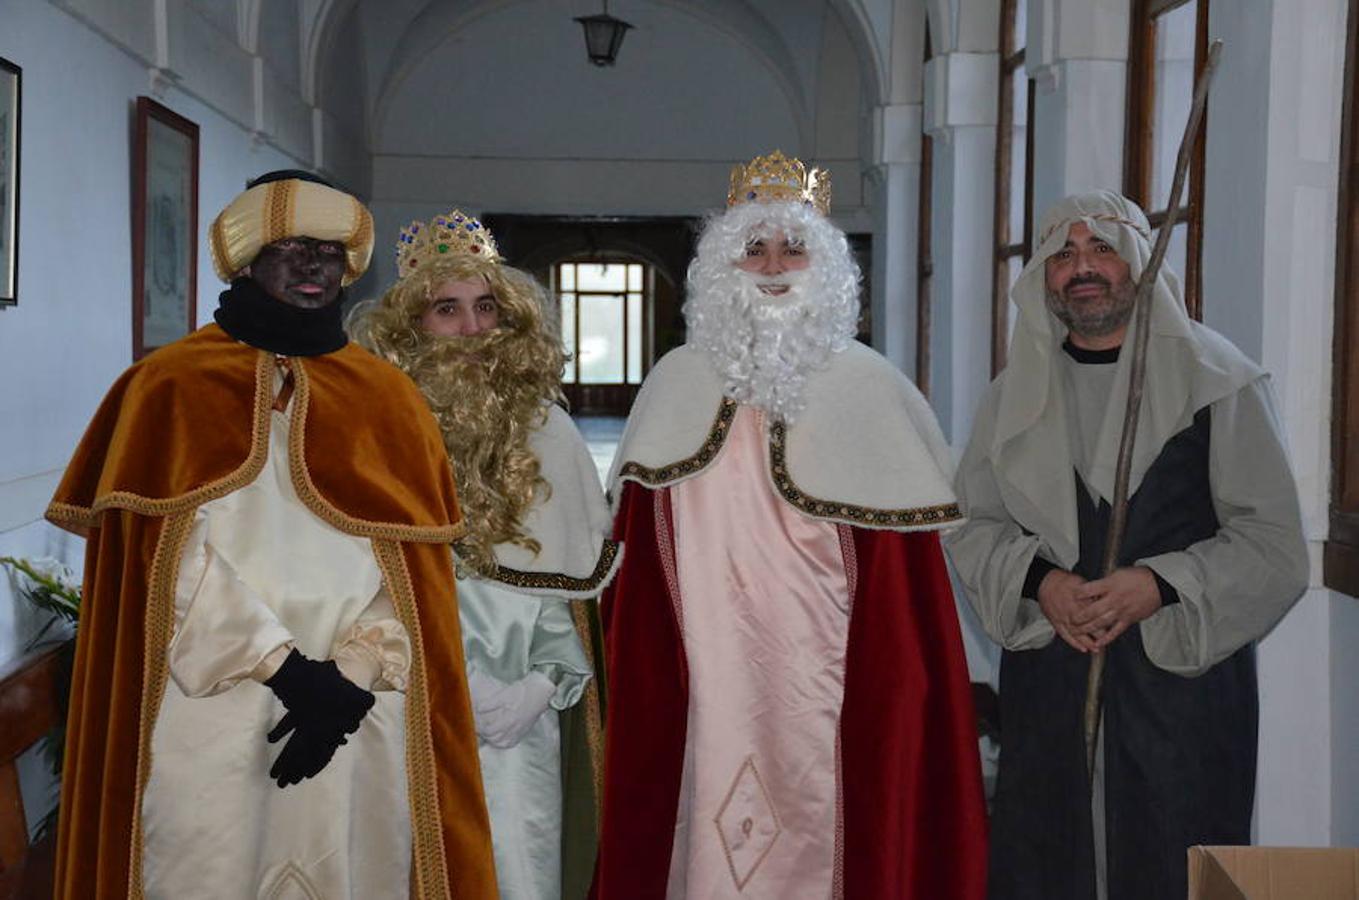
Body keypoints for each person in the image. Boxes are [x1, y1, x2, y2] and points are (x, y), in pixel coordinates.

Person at [46, 171, 497, 899]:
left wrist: (347, 680)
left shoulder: (390, 399)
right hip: (213, 708)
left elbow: (414, 579)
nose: (311, 264)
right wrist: (290, 675)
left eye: (325, 248)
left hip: (364, 711)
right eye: (287, 246)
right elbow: (163, 568)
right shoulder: (164, 386)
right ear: (248, 258)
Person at [592, 150, 987, 898]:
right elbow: (636, 561)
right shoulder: (674, 381)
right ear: (721, 267)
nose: (773, 266)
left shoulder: (873, 387)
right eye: (753, 249)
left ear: (826, 267)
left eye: (792, 248)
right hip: (702, 668)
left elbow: (909, 602)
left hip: (829, 678)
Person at [945, 191, 1310, 900]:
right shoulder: (1009, 397)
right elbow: (973, 527)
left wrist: (1160, 583)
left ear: (1139, 263)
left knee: (1170, 864)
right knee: (1050, 862)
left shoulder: (1218, 382)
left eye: (1101, 249)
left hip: (1180, 692)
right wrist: (1041, 583)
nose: (1081, 267)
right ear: (1042, 278)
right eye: (1062, 254)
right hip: (1052, 683)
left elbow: (1272, 545)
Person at [350, 210, 619, 900]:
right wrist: (448, 675)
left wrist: (546, 680)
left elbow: (574, 581)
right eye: (448, 309)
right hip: (401, 684)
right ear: (411, 324)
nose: (472, 329)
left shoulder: (549, 427)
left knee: (519, 859)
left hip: (523, 711)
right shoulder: (374, 427)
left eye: (486, 307)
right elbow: (354, 572)